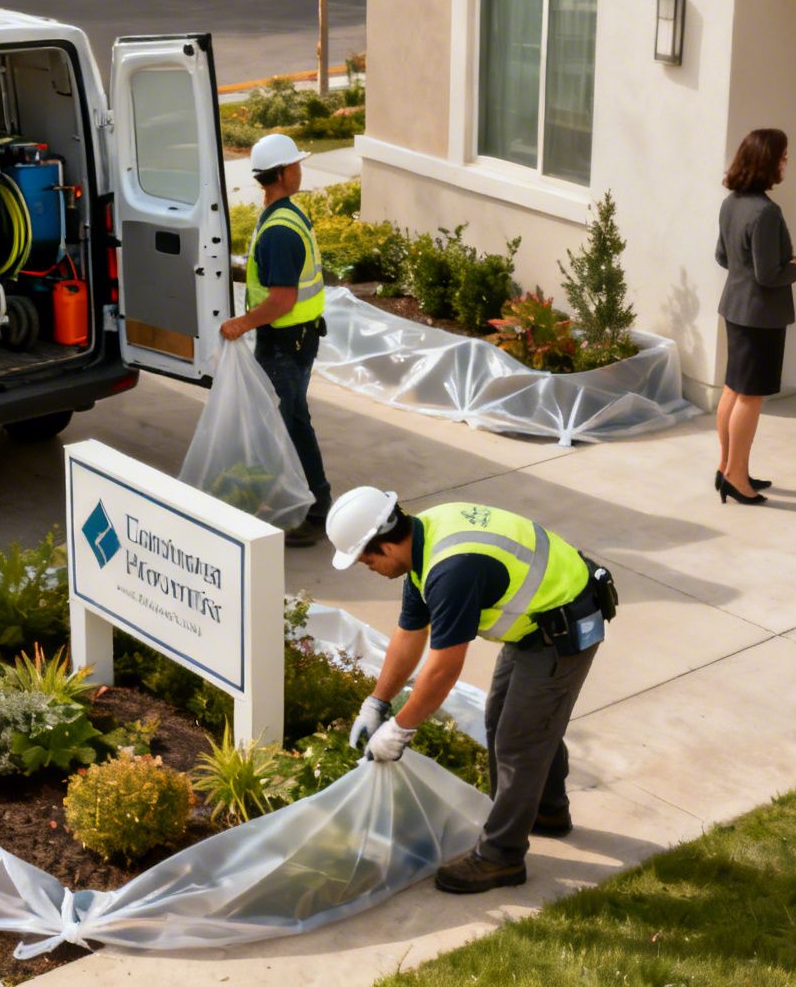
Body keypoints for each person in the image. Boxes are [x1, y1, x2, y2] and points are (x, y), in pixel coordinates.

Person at [328, 486, 612, 895]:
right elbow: (410, 634)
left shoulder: (451, 569)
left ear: (385, 544)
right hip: (536, 620)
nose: (366, 567)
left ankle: (501, 857)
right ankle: (547, 812)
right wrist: (377, 702)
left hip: (565, 623)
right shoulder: (424, 544)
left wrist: (400, 729)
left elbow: (443, 669)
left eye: (365, 558)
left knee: (520, 739)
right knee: (503, 722)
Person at [219, 132, 331, 546]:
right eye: (297, 165)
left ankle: (311, 510)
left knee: (287, 425)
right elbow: (281, 295)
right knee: (290, 421)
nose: (302, 171)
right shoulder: (282, 219)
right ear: (283, 174)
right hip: (291, 342)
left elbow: (282, 299)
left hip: (288, 343)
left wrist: (241, 324)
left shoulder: (278, 224)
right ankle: (312, 504)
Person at [714, 127, 796, 506]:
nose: (786, 163)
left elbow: (724, 257)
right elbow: (768, 274)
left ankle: (727, 467)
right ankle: (737, 477)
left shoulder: (732, 203)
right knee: (750, 397)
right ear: (768, 162)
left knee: (733, 389)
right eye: (784, 157)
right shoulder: (766, 212)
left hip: (735, 307)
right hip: (760, 315)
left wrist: (778, 265)